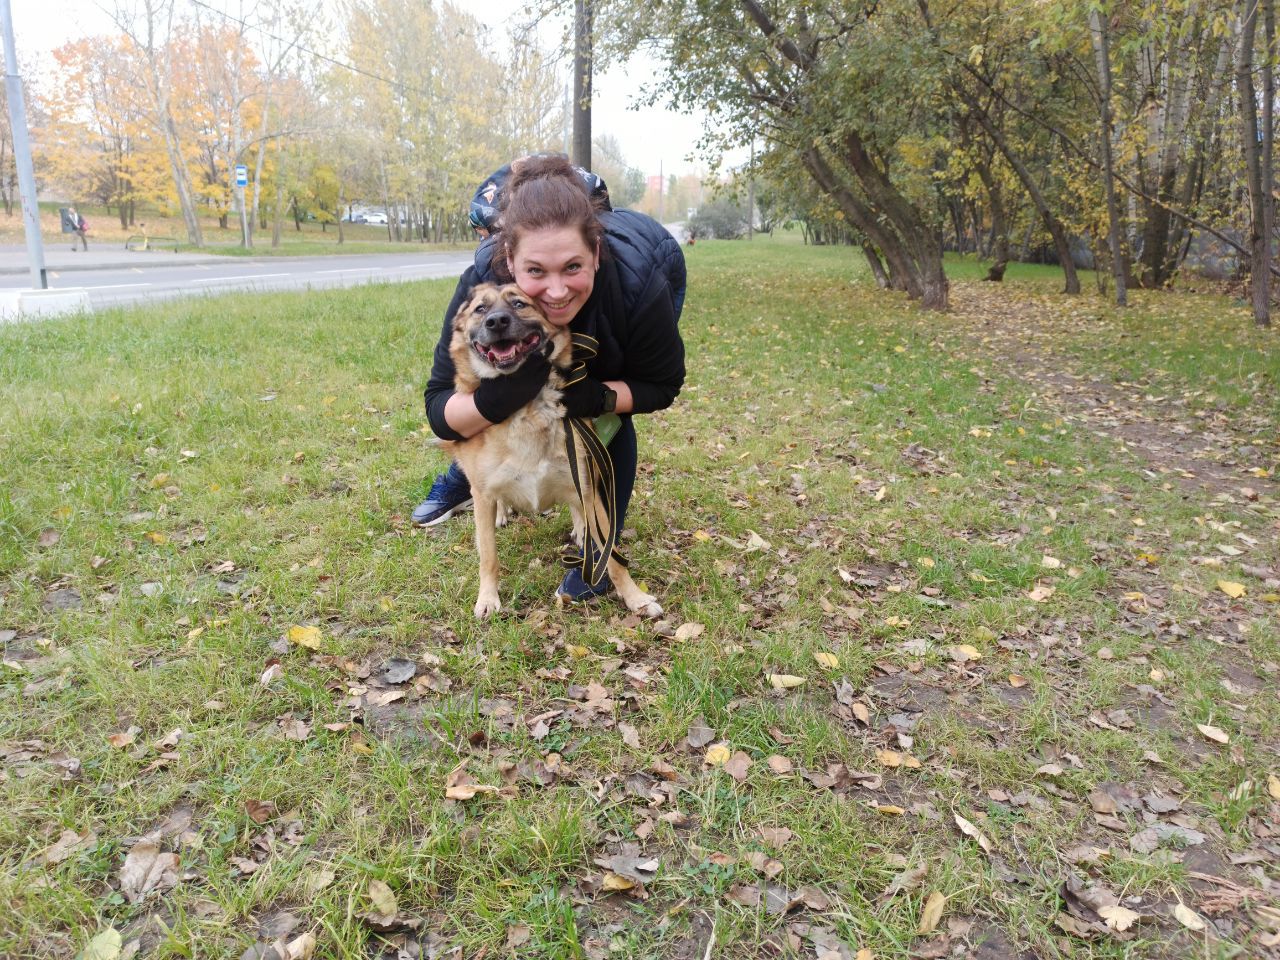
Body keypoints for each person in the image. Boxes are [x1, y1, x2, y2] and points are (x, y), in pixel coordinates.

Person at [415, 154, 686, 602]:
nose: (557, 291)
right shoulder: (481, 284)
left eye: (572, 267)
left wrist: (596, 396)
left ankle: (595, 539)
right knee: (506, 397)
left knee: (606, 412)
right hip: (505, 389)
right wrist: (501, 399)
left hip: (644, 277)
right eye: (536, 271)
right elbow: (440, 410)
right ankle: (476, 476)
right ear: (509, 260)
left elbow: (660, 386)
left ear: (596, 254)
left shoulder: (641, 285)